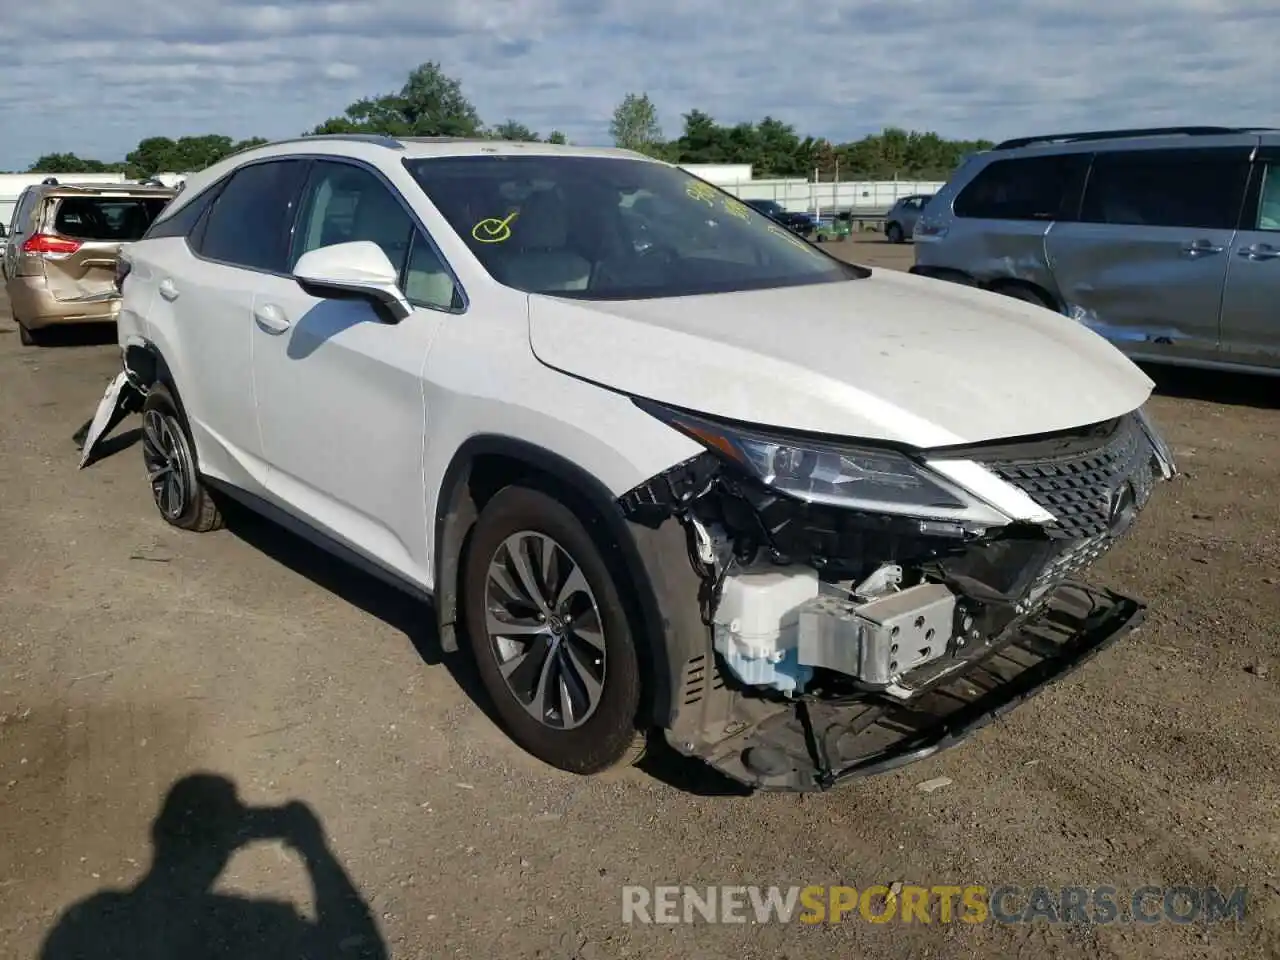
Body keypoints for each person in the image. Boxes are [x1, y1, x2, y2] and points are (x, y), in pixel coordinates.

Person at [39, 773, 387, 960]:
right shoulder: (256, 923)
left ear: (159, 832)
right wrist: (315, 849)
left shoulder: (89, 920)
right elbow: (365, 950)